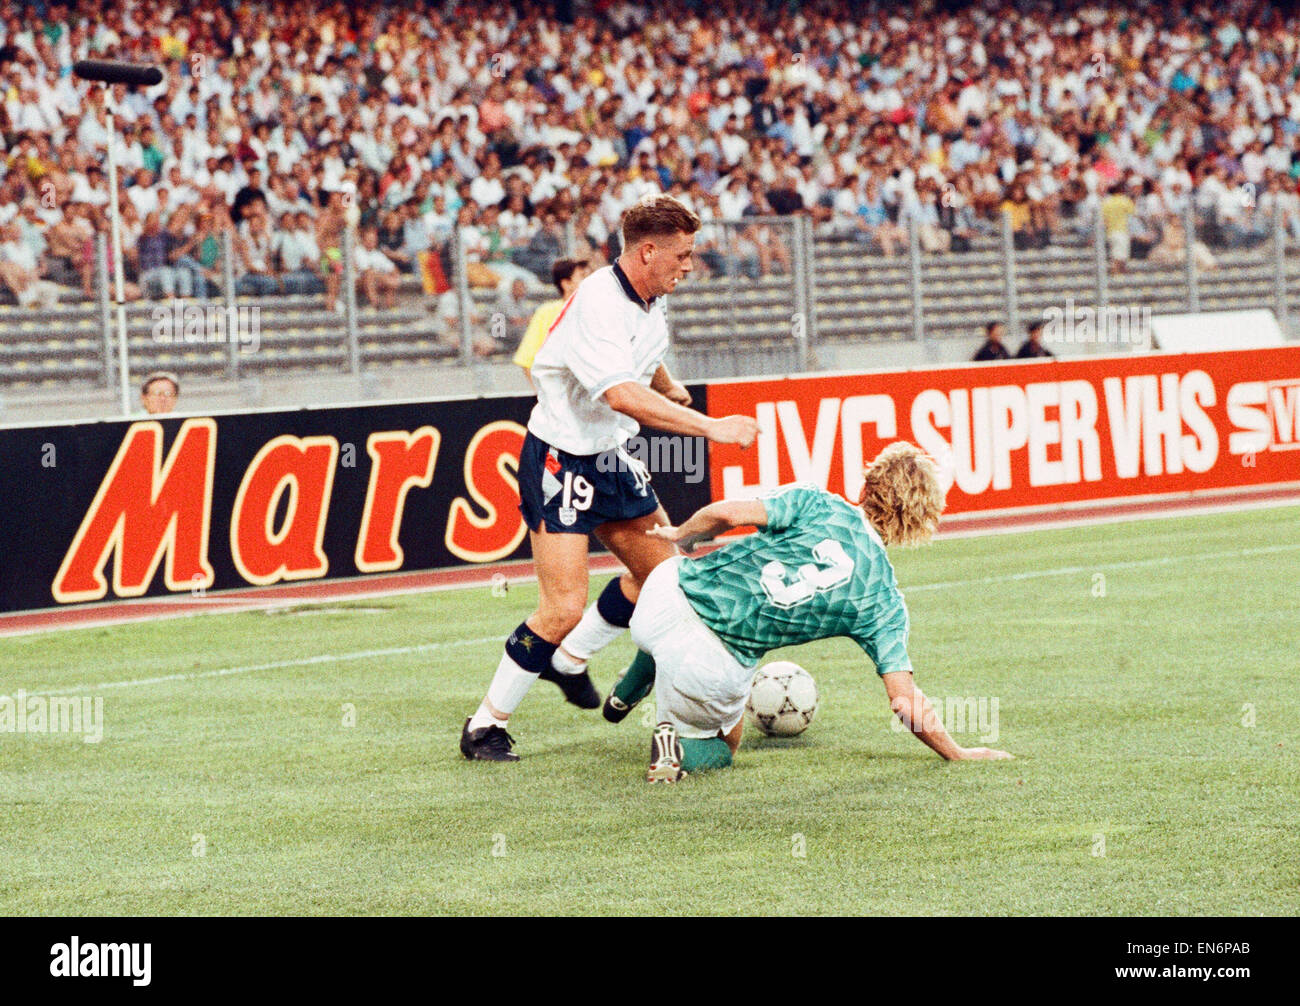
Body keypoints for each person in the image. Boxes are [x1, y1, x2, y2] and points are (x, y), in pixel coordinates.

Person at [460, 194, 760, 762]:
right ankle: (484, 726)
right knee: (561, 607)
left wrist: (666, 381)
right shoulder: (599, 300)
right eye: (683, 255)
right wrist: (711, 428)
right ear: (648, 252)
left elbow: (641, 355)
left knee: (670, 580)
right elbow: (620, 393)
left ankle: (571, 662)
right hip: (561, 457)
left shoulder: (650, 292)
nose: (690, 266)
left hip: (611, 455)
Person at [603, 443, 1013, 782]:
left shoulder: (818, 502)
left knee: (673, 620)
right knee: (726, 745)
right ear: (918, 523)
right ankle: (674, 748)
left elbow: (727, 515)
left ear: (867, 486)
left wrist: (683, 533)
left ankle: (627, 691)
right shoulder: (883, 601)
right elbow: (904, 703)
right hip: (709, 661)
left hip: (662, 594)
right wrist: (955, 752)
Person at [512, 257, 591, 386]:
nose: (589, 281)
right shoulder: (546, 313)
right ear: (566, 284)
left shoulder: (596, 311)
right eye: (582, 276)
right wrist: (543, 397)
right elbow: (526, 360)